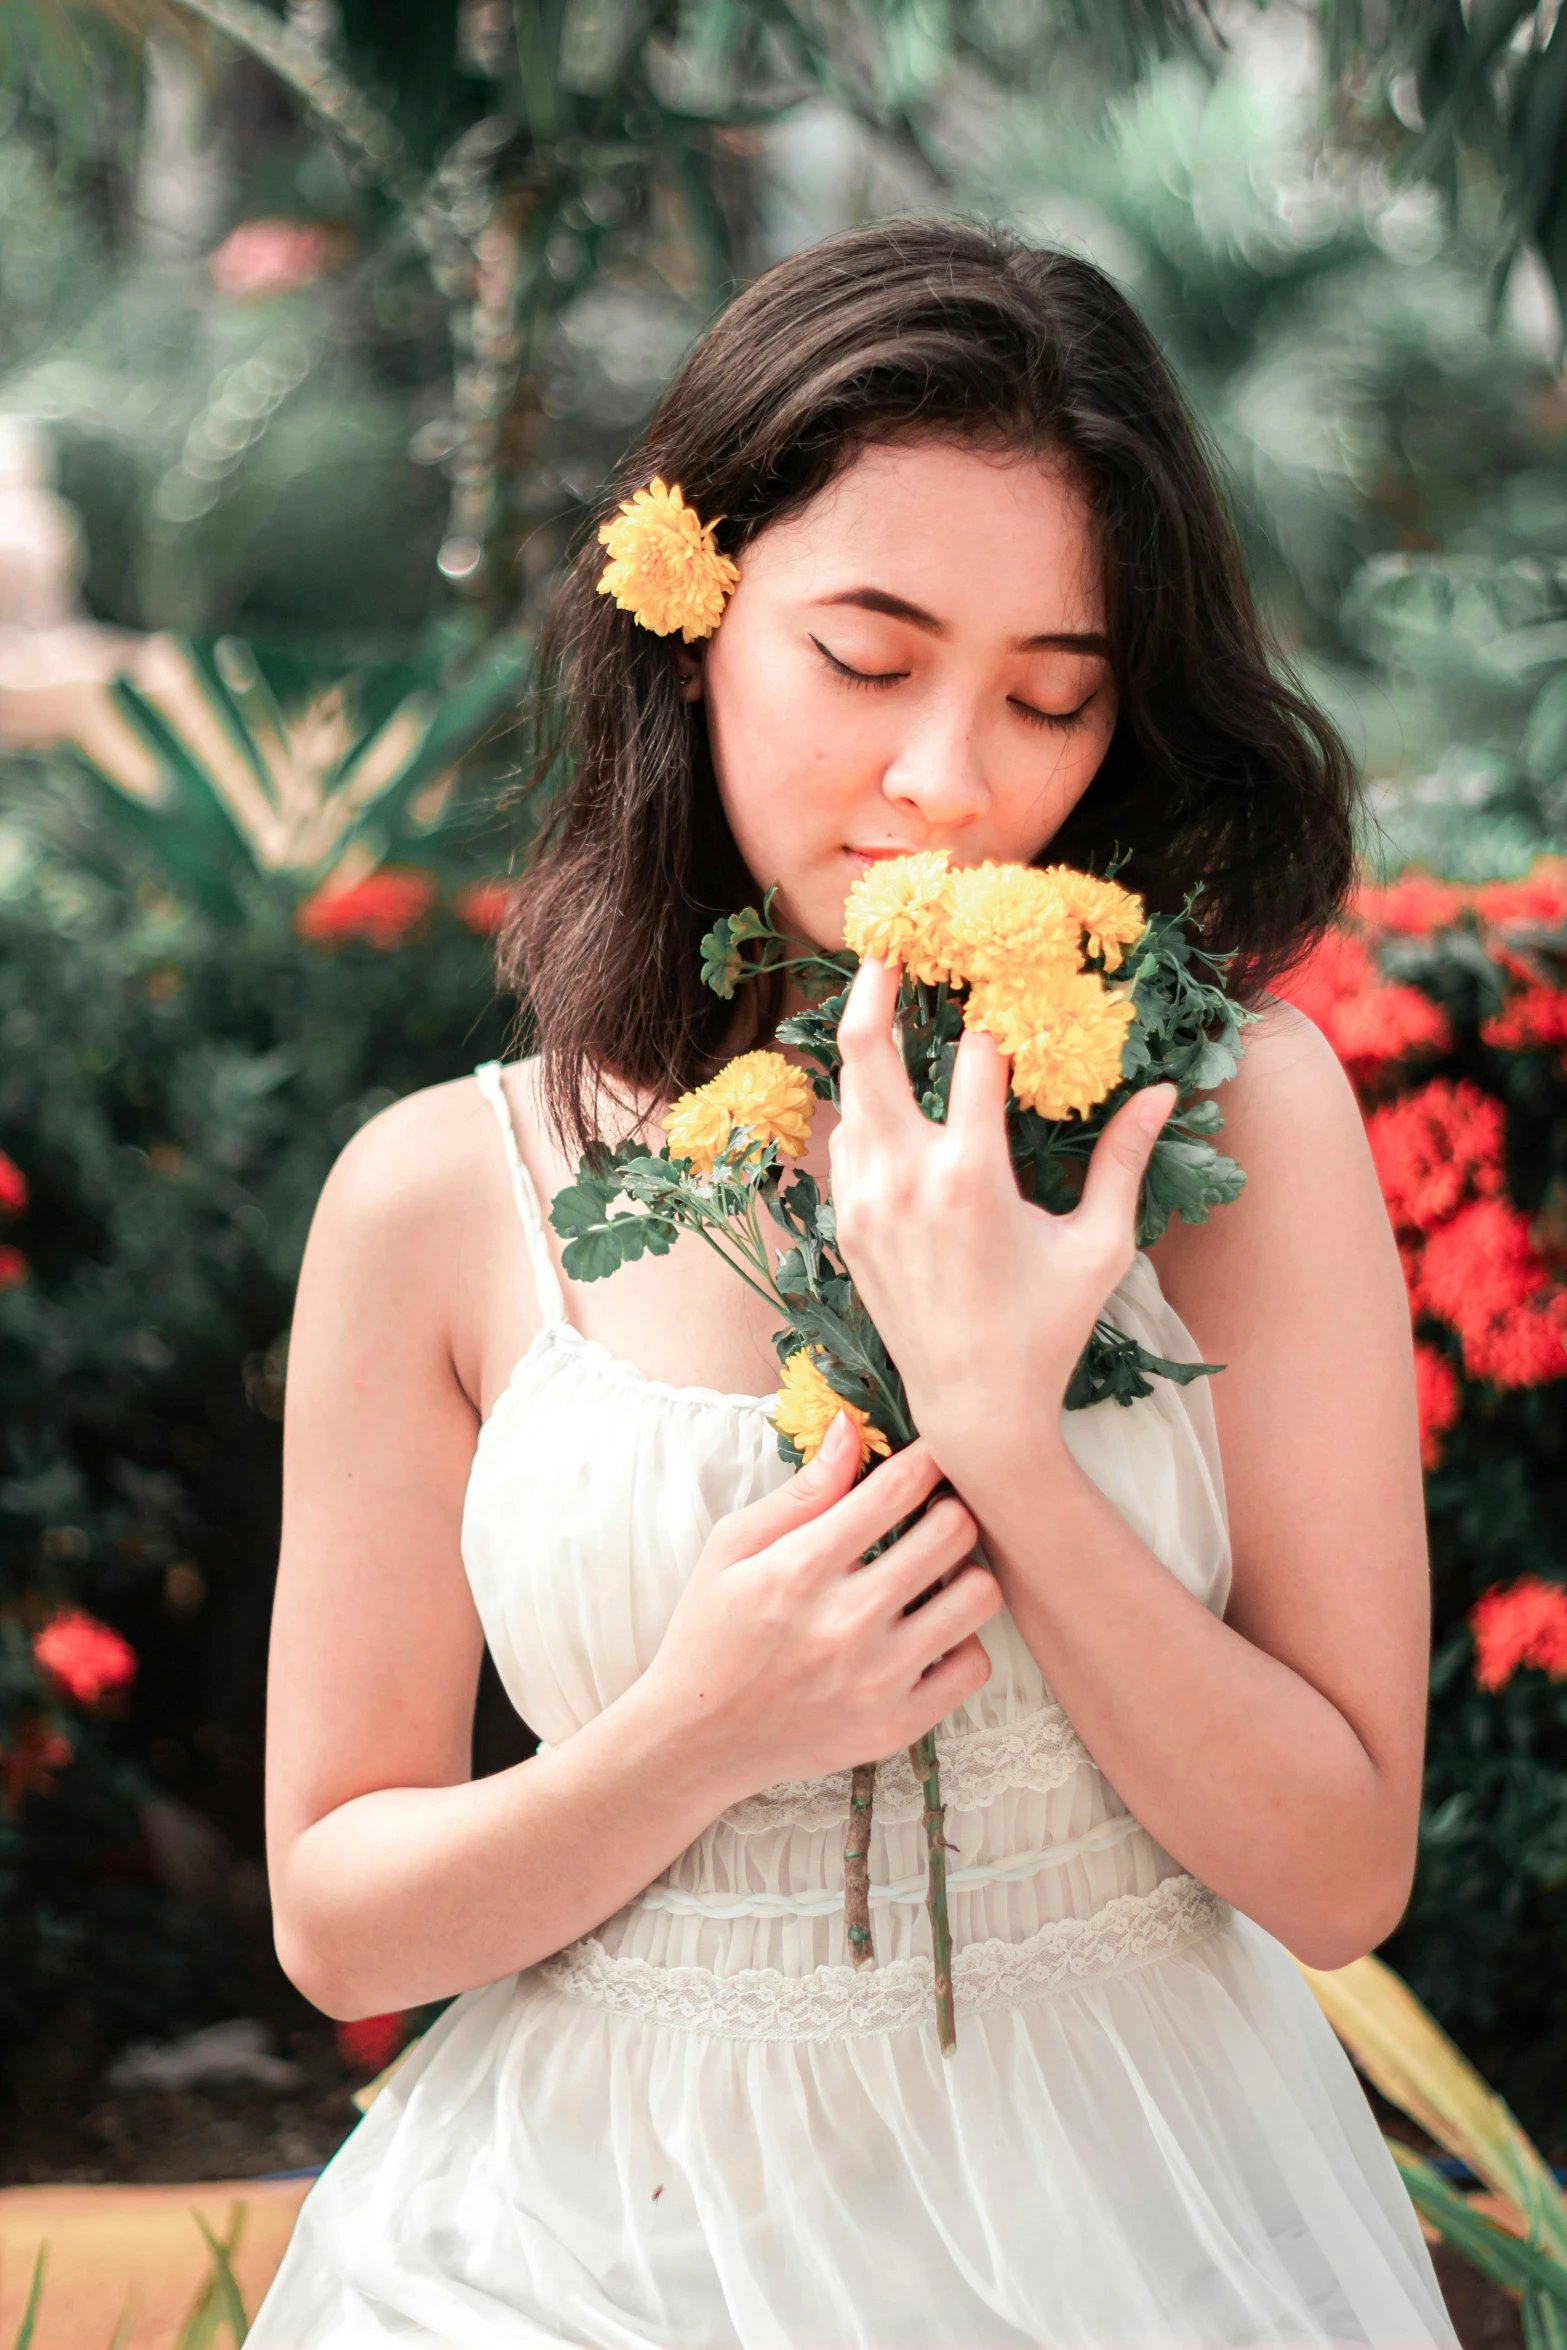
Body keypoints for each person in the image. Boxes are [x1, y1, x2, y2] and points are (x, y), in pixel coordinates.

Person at [248, 219, 1458, 2349]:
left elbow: (1342, 1868)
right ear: (692, 618)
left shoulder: (1236, 1130)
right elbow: (341, 1917)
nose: (950, 780)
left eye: (1050, 696)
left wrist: (1012, 1439)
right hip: (571, 2259)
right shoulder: (446, 1194)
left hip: (1137, 2231)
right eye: (868, 659)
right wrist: (697, 1730)